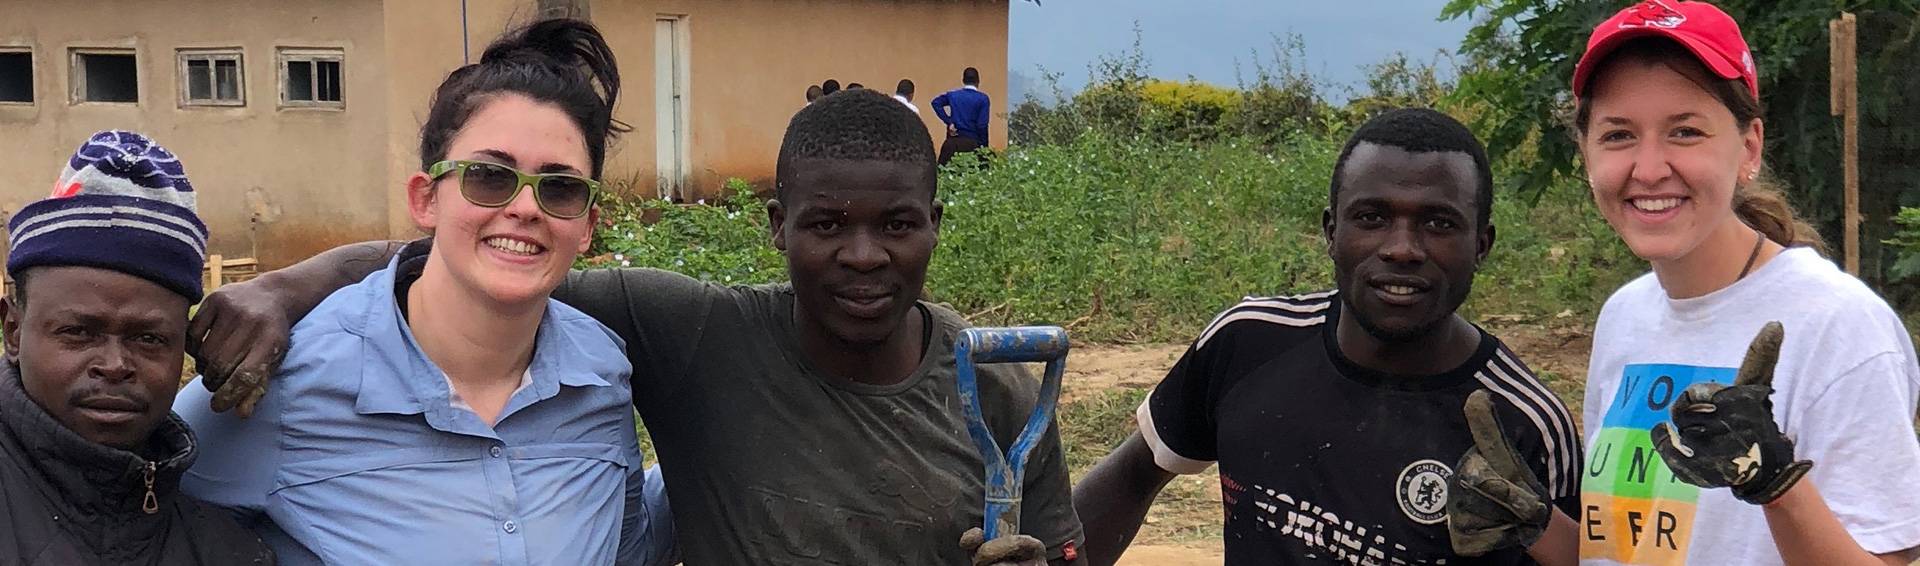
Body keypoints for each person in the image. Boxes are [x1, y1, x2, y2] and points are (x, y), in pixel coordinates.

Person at [186, 89, 1083, 565]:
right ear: (777, 227)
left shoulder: (1001, 390)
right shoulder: (691, 335)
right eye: (824, 225)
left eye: (895, 226)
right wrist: (286, 287)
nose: (862, 256)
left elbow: (1065, 551)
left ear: (935, 224)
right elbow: (484, 253)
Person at [172, 19, 673, 566]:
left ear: (587, 225)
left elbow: (628, 546)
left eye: (561, 186)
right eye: (488, 176)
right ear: (425, 199)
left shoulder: (599, 376)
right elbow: (149, 527)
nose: (526, 208)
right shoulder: (284, 385)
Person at [1071, 108, 1583, 566]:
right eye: (1372, 217)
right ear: (1331, 232)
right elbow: (1138, 471)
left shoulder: (1525, 424)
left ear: (1482, 245)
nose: (1402, 248)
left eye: (1438, 222)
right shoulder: (1249, 341)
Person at [1561, 2, 1920, 565]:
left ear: (1748, 147)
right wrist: (1532, 526)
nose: (1649, 168)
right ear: (1586, 153)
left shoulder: (1840, 327)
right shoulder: (1624, 316)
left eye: (1685, 131)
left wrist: (1774, 483)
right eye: (1618, 135)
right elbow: (1637, 548)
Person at [0, 130, 275, 564]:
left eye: (148, 339)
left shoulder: (227, 551)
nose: (114, 365)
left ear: (186, 346)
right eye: (78, 332)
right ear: (13, 331)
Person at [931, 67, 991, 165]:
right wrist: (984, 148)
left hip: (952, 143)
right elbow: (982, 125)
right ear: (978, 81)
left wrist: (949, 121)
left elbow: (936, 103)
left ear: (963, 80)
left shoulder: (953, 95)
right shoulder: (983, 99)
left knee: (944, 173)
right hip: (972, 143)